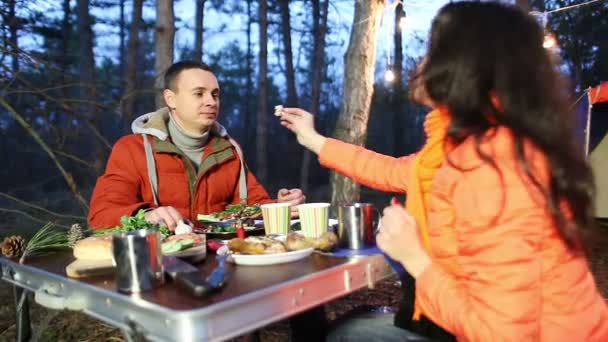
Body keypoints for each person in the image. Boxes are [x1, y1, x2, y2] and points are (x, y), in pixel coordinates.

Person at [279, 2, 608, 341]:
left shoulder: (493, 166)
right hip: (473, 319)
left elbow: (503, 334)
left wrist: (416, 257)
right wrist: (315, 140)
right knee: (352, 329)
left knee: (345, 336)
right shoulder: (463, 143)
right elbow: (392, 170)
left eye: (432, 51)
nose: (420, 63)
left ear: (463, 65)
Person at [88, 61, 305, 230]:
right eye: (199, 93)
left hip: (220, 263)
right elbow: (101, 216)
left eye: (215, 94)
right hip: (161, 265)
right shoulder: (132, 150)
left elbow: (249, 207)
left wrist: (278, 206)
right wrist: (146, 216)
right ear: (171, 99)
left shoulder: (229, 151)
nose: (211, 101)